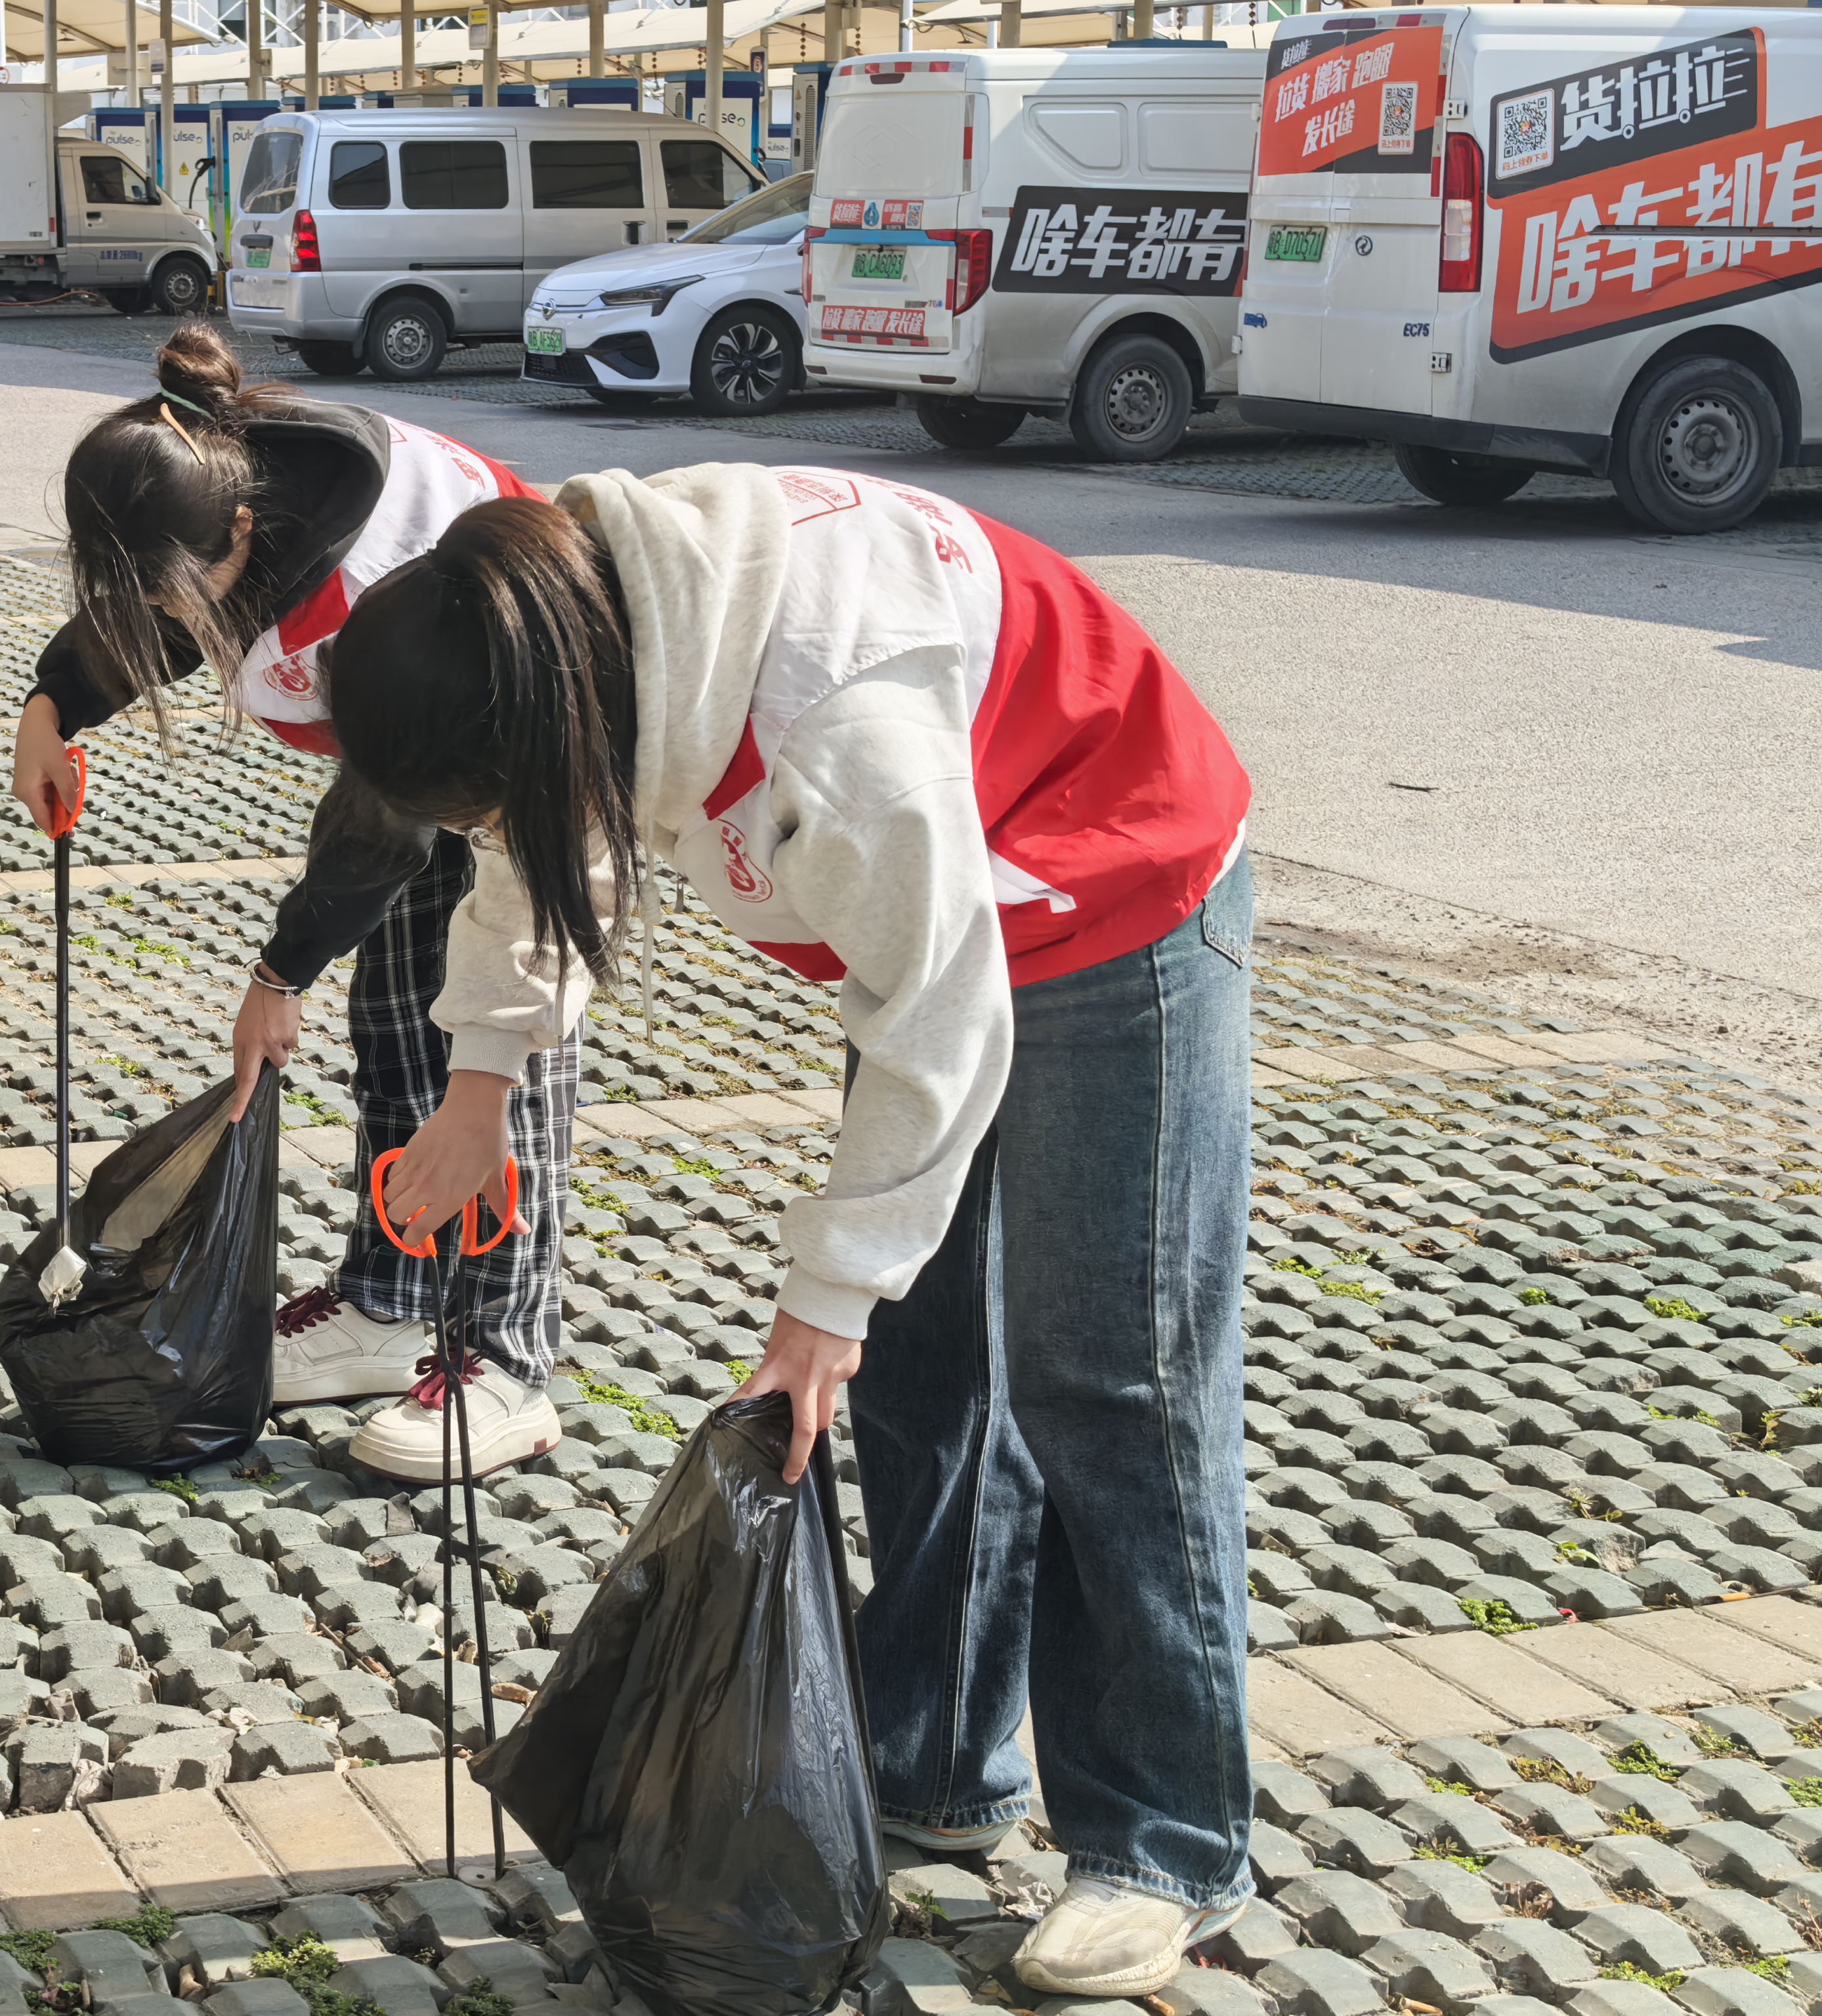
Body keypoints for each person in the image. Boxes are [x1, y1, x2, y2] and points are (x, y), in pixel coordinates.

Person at [331, 468, 1256, 2000]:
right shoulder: (555, 622)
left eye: (492, 798)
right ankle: (935, 1761)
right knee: (922, 1367)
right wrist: (477, 1083)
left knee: (1110, 1380)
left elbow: (936, 1032)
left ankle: (1164, 1839)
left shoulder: (833, 724)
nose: (496, 832)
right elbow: (529, 857)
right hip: (933, 919)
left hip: (1112, 885)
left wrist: (821, 1300)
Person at [12, 329, 576, 1481]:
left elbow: (386, 822)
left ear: (243, 541)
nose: (165, 629)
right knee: (395, 1038)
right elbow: (162, 612)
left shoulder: (364, 592)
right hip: (429, 776)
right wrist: (52, 702)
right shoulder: (204, 469)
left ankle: (507, 1354)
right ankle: (388, 1302)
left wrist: (279, 975)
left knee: (492, 1048)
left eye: (174, 601)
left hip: (516, 767)